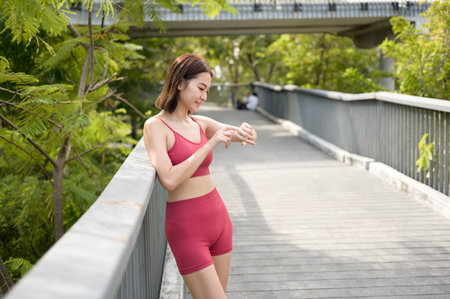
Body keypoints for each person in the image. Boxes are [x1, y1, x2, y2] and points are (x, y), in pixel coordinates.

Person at [143, 53, 257, 299]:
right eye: (201, 88)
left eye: (208, 90)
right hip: (187, 228)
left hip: (219, 221)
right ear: (180, 83)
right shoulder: (155, 127)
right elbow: (170, 180)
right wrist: (209, 144)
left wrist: (249, 131)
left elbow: (242, 136)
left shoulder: (199, 123)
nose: (204, 96)